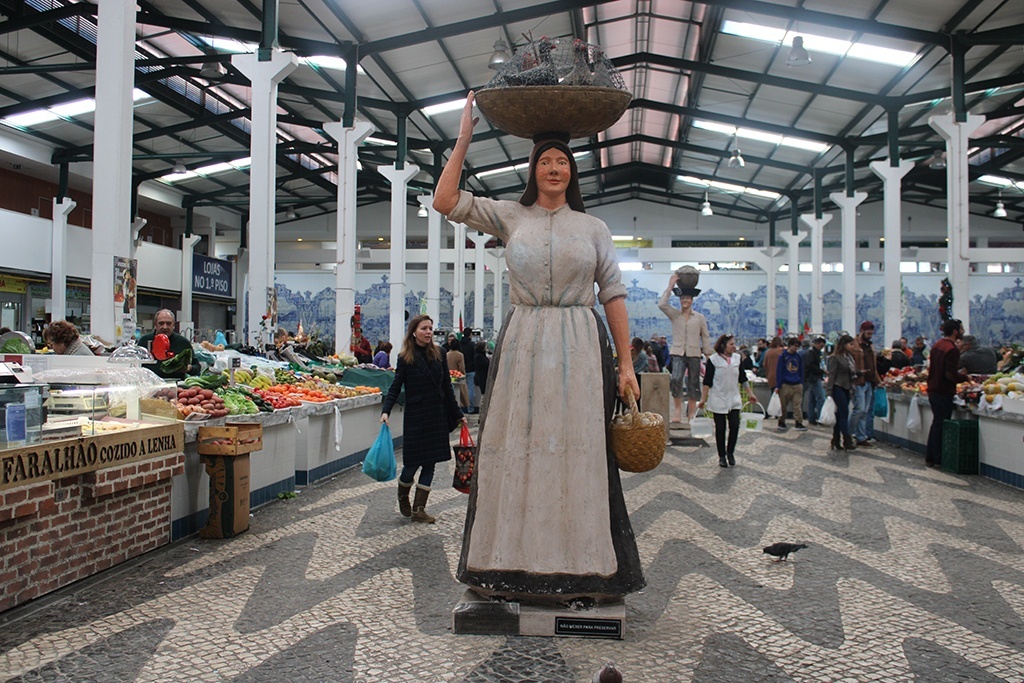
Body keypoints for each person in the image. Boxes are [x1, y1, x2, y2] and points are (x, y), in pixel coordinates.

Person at [433, 92, 645, 604]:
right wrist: (464, 137)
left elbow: (612, 292)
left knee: (581, 451)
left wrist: (626, 363)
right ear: (533, 170)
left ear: (573, 173)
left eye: (563, 162)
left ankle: (584, 566)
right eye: (545, 161)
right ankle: (504, 560)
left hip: (580, 342)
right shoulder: (511, 216)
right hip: (524, 342)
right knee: (514, 449)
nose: (555, 168)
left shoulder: (593, 228)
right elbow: (445, 202)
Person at [381, 315, 466, 523]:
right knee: (412, 463)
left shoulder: (440, 353)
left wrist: (458, 415)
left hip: (436, 415)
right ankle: (403, 492)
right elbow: (395, 387)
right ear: (414, 332)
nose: (428, 332)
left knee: (430, 463)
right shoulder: (405, 358)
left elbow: (446, 387)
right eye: (424, 328)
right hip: (417, 416)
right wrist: (386, 411)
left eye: (430, 328)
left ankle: (419, 509)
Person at [658, 269, 712, 425]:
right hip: (678, 352)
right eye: (682, 298)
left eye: (687, 298)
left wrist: (708, 355)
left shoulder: (700, 318)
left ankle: (692, 414)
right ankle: (677, 412)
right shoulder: (675, 315)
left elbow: (705, 336)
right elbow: (662, 304)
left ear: (692, 300)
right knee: (676, 379)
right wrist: (669, 287)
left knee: (693, 382)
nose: (685, 301)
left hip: (694, 353)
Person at [697, 334, 758, 468]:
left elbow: (742, 378)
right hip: (718, 398)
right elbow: (707, 381)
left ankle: (730, 452)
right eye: (731, 344)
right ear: (724, 345)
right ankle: (722, 455)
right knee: (720, 429)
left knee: (735, 426)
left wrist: (750, 394)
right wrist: (703, 399)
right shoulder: (714, 360)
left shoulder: (737, 359)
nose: (734, 346)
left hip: (734, 399)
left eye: (734, 343)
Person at [925, 319, 970, 468]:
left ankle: (930, 457)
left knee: (937, 423)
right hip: (943, 391)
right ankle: (938, 459)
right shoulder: (951, 349)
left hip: (933, 389)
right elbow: (950, 374)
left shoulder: (937, 345)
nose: (963, 332)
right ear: (955, 331)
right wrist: (964, 377)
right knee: (941, 424)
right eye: (961, 329)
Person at [138, 309, 199, 379]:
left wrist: (189, 368)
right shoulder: (144, 341)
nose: (165, 327)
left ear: (173, 325)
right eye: (161, 323)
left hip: (176, 384)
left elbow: (197, 367)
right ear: (155, 324)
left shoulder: (183, 342)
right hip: (149, 383)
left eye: (169, 323)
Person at [849, 321, 880, 448]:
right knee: (859, 409)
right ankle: (848, 433)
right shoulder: (854, 345)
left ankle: (861, 436)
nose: (870, 335)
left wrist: (878, 380)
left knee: (865, 411)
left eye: (871, 333)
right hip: (858, 381)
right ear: (862, 331)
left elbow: (874, 364)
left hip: (869, 381)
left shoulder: (870, 346)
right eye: (868, 333)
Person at [826, 334, 859, 451]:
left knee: (840, 414)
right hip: (838, 386)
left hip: (847, 387)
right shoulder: (835, 357)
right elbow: (832, 374)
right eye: (850, 344)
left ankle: (835, 439)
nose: (852, 346)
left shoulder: (849, 357)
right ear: (844, 345)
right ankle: (847, 439)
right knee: (844, 412)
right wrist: (829, 391)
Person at [774, 337, 807, 431]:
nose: (796, 348)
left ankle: (799, 422)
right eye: (794, 346)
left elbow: (801, 370)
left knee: (797, 405)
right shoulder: (783, 356)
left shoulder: (798, 356)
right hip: (785, 384)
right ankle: (781, 421)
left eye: (797, 346)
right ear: (790, 345)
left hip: (797, 384)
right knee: (783, 406)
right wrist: (778, 385)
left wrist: (801, 381)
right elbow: (779, 371)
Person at [803, 336, 826, 426]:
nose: (821, 348)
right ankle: (820, 417)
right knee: (821, 398)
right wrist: (822, 371)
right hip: (814, 378)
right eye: (820, 346)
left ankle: (811, 418)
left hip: (811, 378)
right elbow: (811, 366)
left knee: (811, 399)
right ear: (816, 343)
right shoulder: (812, 353)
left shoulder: (815, 353)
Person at [446, 340, 470, 411]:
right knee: (461, 396)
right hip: (458, 377)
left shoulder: (447, 354)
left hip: (449, 376)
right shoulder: (460, 355)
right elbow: (462, 367)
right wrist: (463, 375)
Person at [460, 328, 479, 414]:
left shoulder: (460, 344)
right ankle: (470, 408)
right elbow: (474, 358)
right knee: (470, 389)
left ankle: (462, 408)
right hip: (471, 370)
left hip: (461, 370)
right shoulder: (472, 345)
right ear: (470, 334)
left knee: (461, 390)